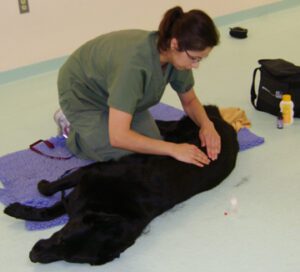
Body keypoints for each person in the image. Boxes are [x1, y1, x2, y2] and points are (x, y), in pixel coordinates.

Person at [55, 6, 221, 167]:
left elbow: (190, 100)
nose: (196, 65)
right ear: (175, 44)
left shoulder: (176, 58)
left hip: (113, 89)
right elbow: (118, 137)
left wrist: (207, 125)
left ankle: (116, 113)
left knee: (153, 148)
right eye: (195, 58)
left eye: (200, 59)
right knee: (127, 154)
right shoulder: (134, 66)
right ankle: (72, 130)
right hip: (82, 93)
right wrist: (174, 149)